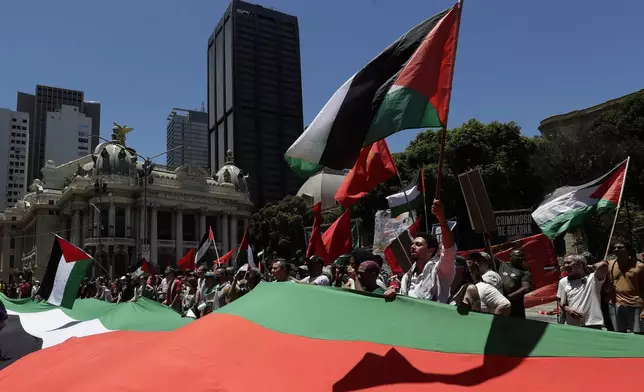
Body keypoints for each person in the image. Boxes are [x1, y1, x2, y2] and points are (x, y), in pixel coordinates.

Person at [384, 200, 456, 303]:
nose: (412, 247)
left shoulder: (440, 270)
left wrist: (441, 219)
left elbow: (449, 248)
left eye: (418, 244)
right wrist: (393, 291)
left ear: (430, 252)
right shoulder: (407, 277)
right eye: (413, 244)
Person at [556, 253, 608, 328]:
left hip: (592, 323)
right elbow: (561, 302)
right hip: (573, 324)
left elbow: (604, 265)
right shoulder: (563, 281)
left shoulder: (592, 278)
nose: (566, 266)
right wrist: (568, 310)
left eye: (569, 263)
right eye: (564, 263)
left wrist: (591, 267)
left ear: (580, 264)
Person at [607, 239, 644, 333]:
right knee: (618, 334)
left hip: (636, 305)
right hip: (615, 304)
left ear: (628, 250)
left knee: (638, 333)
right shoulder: (610, 264)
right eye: (614, 248)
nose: (616, 249)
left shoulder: (639, 266)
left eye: (620, 248)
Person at [498, 249, 532, 318]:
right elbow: (489, 256)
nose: (521, 258)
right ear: (510, 257)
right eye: (518, 256)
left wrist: (508, 297)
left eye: (522, 256)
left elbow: (526, 287)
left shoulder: (525, 272)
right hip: (500, 304)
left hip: (516, 308)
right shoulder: (501, 265)